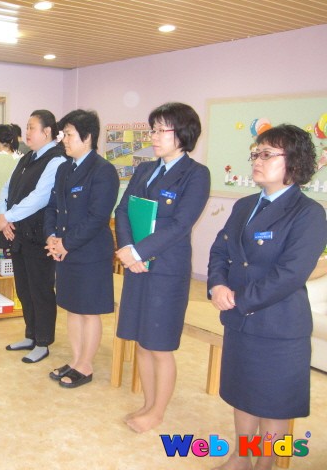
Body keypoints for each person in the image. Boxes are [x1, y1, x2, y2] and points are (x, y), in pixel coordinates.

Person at [208, 124, 327, 470]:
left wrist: (238, 299)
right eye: (255, 154)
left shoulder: (308, 213)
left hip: (279, 327)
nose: (256, 161)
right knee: (242, 394)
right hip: (239, 322)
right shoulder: (245, 205)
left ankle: (266, 464)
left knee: (275, 404)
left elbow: (290, 274)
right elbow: (220, 250)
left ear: (295, 161)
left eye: (266, 154)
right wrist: (217, 285)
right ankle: (241, 456)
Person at [115, 102, 210, 433]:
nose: (153, 137)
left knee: (159, 344)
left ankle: (157, 412)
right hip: (137, 266)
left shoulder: (196, 174)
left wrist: (138, 252)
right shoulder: (144, 170)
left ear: (182, 133)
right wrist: (128, 249)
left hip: (166, 269)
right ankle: (147, 403)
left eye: (160, 130)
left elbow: (181, 225)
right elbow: (123, 209)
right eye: (152, 130)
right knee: (141, 341)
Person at [44, 109, 119, 388]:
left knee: (89, 311)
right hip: (64, 251)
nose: (64, 140)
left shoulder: (103, 171)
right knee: (72, 308)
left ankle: (86, 365)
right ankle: (76, 360)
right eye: (63, 134)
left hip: (90, 253)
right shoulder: (65, 168)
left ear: (87, 137)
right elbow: (52, 207)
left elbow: (97, 217)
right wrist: (51, 237)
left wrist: (66, 243)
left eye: (69, 134)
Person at [0, 109, 67, 364]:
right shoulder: (27, 157)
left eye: (31, 127)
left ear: (47, 132)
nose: (26, 132)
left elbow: (40, 197)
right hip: (18, 233)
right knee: (24, 288)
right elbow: (7, 188)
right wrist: (3, 217)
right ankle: (30, 334)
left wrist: (8, 217)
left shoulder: (56, 160)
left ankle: (43, 341)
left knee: (41, 289)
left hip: (39, 236)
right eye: (26, 127)